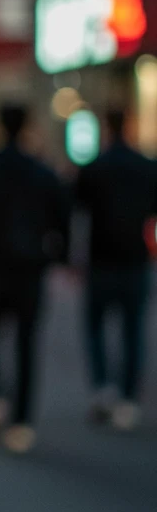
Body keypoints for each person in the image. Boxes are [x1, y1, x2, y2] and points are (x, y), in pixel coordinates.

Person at [0, 104, 70, 454]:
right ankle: (21, 422)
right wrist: (59, 256)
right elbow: (61, 217)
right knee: (26, 344)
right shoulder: (42, 171)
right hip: (30, 266)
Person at [74, 109, 157, 431]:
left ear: (107, 127)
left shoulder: (94, 167)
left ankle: (103, 388)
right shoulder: (146, 166)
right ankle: (128, 397)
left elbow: (78, 209)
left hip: (101, 258)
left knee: (95, 326)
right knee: (133, 329)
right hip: (135, 258)